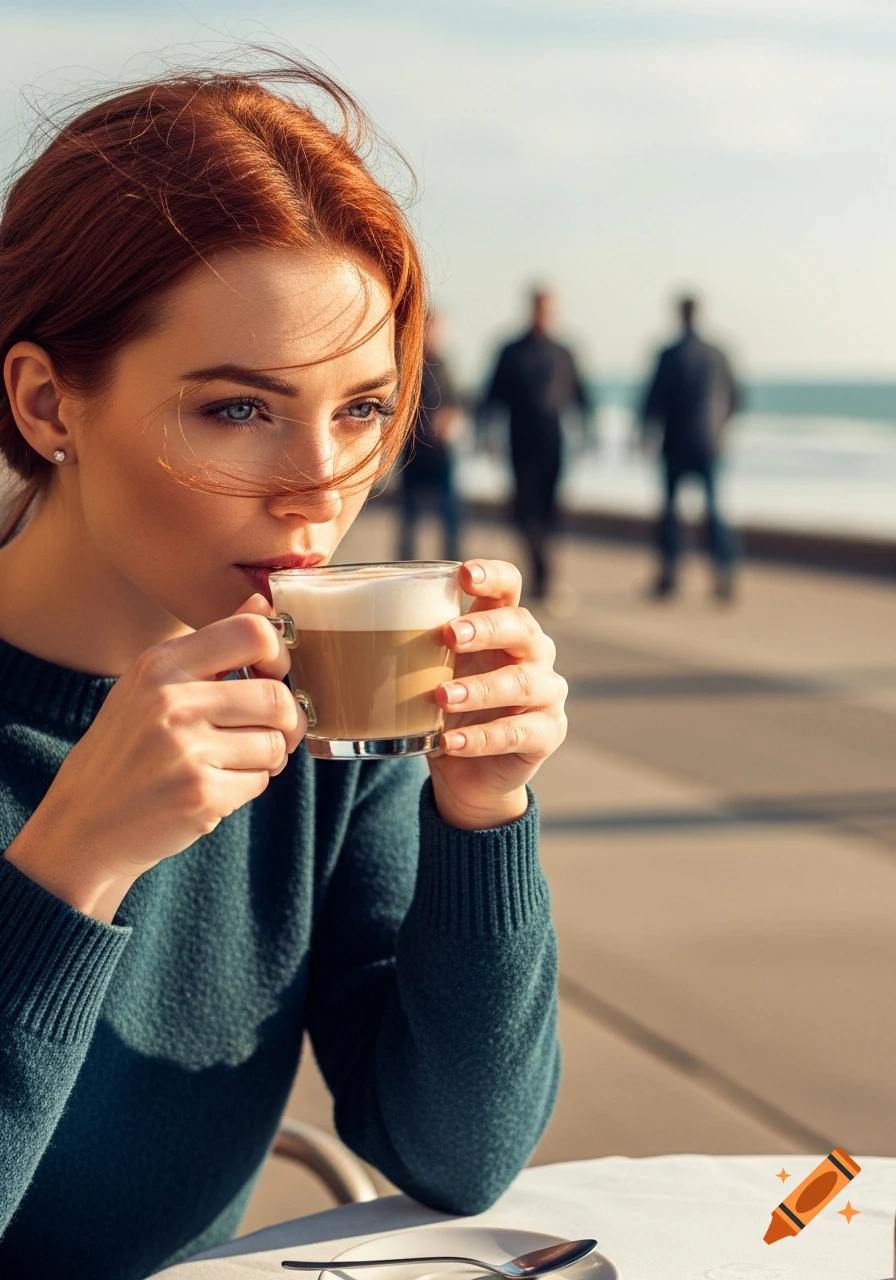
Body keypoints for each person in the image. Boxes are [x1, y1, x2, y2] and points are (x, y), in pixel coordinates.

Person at [0, 60, 569, 1280]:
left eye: (362, 410)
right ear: (48, 401)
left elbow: (455, 1153)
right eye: (238, 411)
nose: (319, 486)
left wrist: (483, 814)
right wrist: (69, 863)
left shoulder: (323, 711)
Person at [479, 288, 593, 601]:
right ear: (531, 309)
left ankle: (544, 573)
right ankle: (541, 572)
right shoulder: (511, 351)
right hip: (520, 442)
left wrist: (589, 434)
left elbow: (582, 396)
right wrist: (484, 435)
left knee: (549, 510)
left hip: (553, 443)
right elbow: (491, 396)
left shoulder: (563, 352)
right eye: (540, 308)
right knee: (525, 510)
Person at [640, 295, 741, 600]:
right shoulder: (717, 354)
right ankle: (723, 573)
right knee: (713, 510)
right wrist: (720, 430)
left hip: (676, 444)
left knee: (672, 512)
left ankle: (670, 574)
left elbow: (654, 399)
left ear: (680, 315)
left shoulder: (670, 354)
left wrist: (645, 434)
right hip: (709, 445)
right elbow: (736, 399)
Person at [396, 310, 463, 561]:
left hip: (443, 453)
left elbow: (458, 406)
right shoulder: (409, 365)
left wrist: (453, 422)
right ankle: (404, 567)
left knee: (451, 516)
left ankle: (453, 565)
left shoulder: (447, 367)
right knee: (410, 518)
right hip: (414, 451)